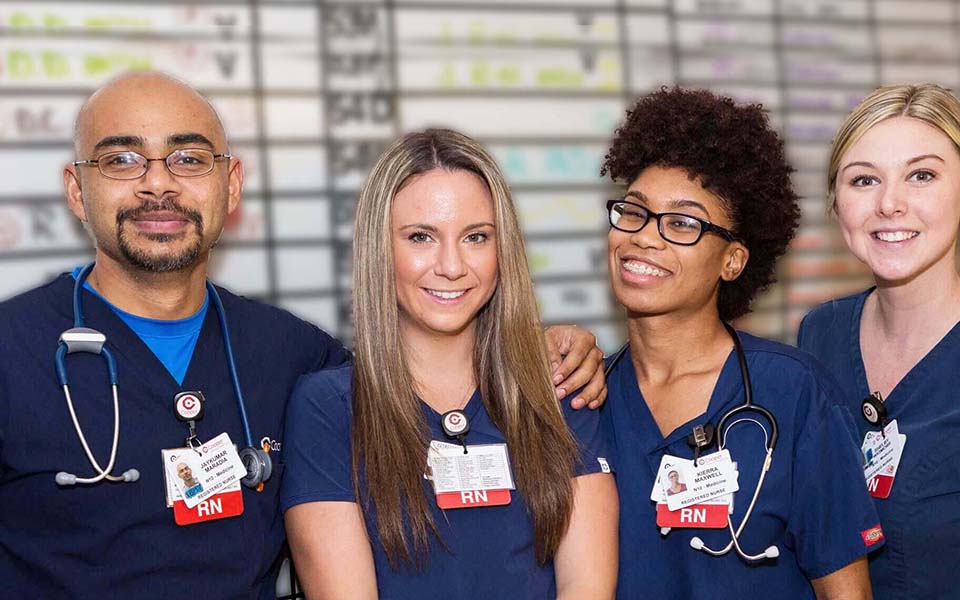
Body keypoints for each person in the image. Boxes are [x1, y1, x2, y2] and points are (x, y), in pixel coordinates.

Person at [0, 72, 606, 599]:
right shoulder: (11, 349)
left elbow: (429, 369)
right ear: (77, 190)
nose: (158, 185)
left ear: (230, 185)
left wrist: (555, 342)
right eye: (121, 159)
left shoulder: (291, 354)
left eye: (188, 158)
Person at [281, 129, 619, 599]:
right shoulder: (329, 408)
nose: (452, 266)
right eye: (421, 237)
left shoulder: (559, 390)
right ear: (381, 249)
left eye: (476, 237)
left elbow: (587, 588)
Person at [598, 87, 883, 599]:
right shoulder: (585, 398)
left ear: (733, 260)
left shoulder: (793, 393)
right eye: (634, 212)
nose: (644, 236)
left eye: (683, 222)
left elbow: (847, 591)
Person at [798, 82, 960, 600]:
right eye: (864, 179)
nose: (890, 203)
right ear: (836, 204)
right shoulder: (818, 334)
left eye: (922, 175)